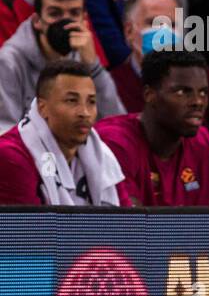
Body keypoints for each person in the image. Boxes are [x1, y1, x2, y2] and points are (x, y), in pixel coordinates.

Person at [97, 46, 209, 205]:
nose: (198, 102)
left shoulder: (205, 144)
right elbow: (131, 225)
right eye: (183, 92)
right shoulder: (115, 143)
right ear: (149, 95)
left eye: (203, 92)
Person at [0, 0, 124, 131]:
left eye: (74, 13)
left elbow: (115, 123)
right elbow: (4, 131)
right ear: (37, 20)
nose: (65, 22)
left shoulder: (84, 56)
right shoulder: (9, 61)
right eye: (55, 13)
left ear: (84, 19)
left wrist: (94, 67)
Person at [0, 59, 130, 205]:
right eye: (72, 100)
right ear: (42, 108)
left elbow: (127, 223)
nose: (85, 112)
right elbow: (29, 227)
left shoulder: (101, 153)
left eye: (91, 102)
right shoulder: (11, 156)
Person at [108, 0, 209, 131]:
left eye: (172, 24)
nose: (163, 31)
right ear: (129, 31)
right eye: (153, 22)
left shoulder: (205, 79)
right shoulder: (112, 85)